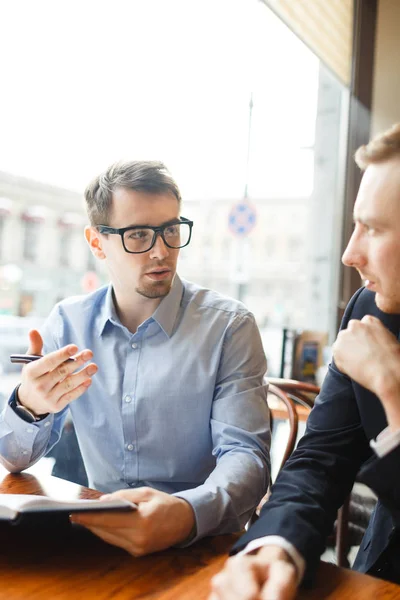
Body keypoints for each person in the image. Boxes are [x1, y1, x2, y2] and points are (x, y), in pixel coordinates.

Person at [0, 161, 270, 556]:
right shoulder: (68, 322)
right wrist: (30, 407)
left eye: (171, 230)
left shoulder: (230, 326)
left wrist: (185, 513)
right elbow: (13, 460)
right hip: (98, 535)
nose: (162, 251)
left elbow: (247, 459)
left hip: (199, 543)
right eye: (139, 235)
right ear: (96, 243)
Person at [209, 122, 400, 600]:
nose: (349, 253)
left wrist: (393, 387)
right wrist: (275, 547)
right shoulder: (368, 309)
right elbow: (320, 460)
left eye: (373, 229)